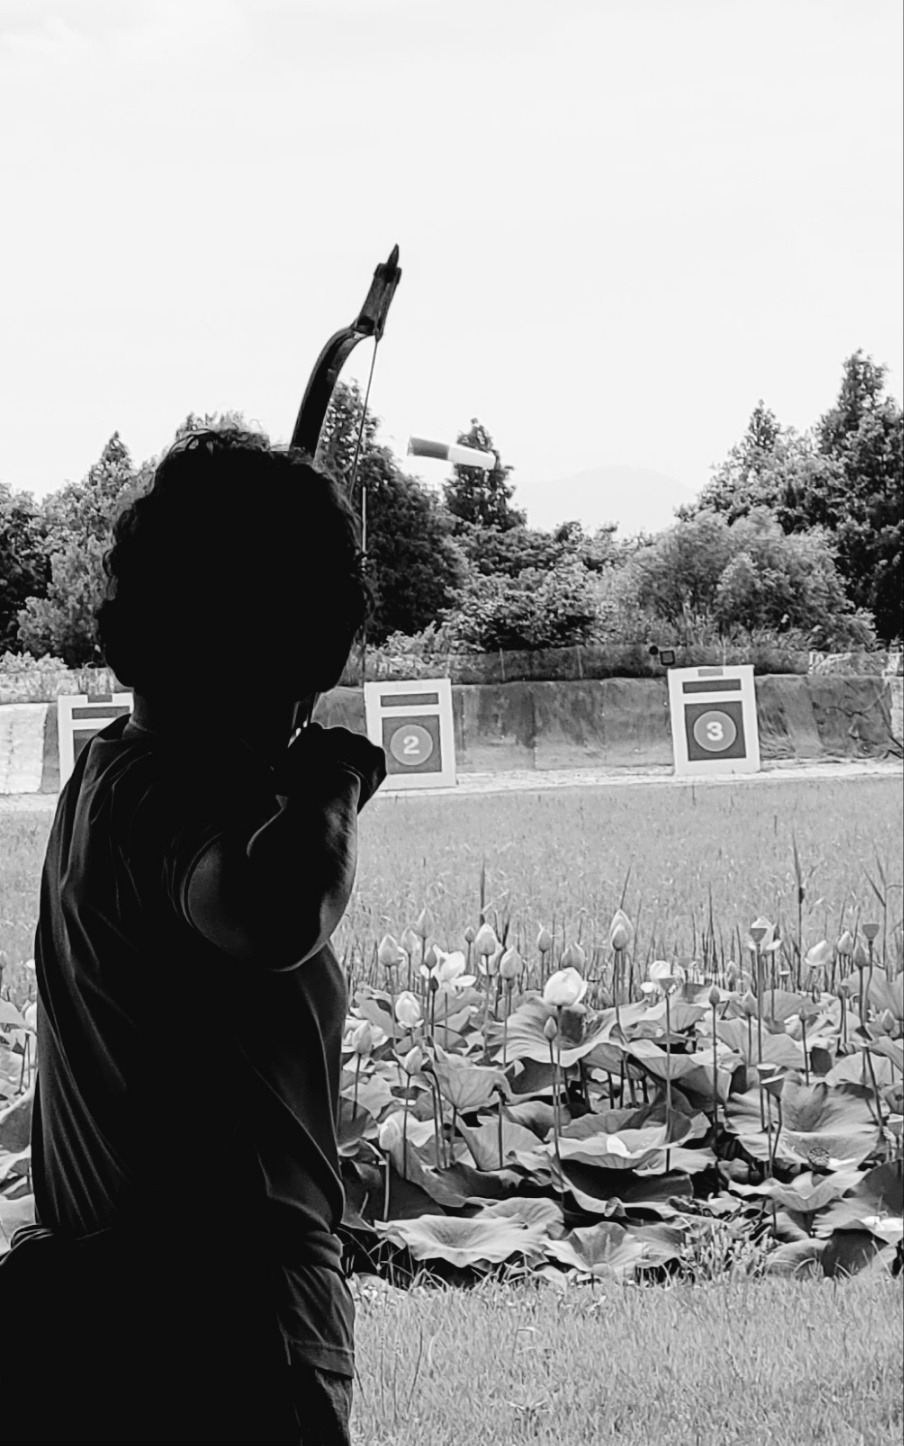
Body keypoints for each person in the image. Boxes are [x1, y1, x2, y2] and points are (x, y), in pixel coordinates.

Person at [15, 429, 387, 1445]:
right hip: (222, 1330)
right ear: (297, 640)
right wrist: (332, 782)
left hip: (118, 1317)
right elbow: (274, 915)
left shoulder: (114, 770)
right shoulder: (174, 792)